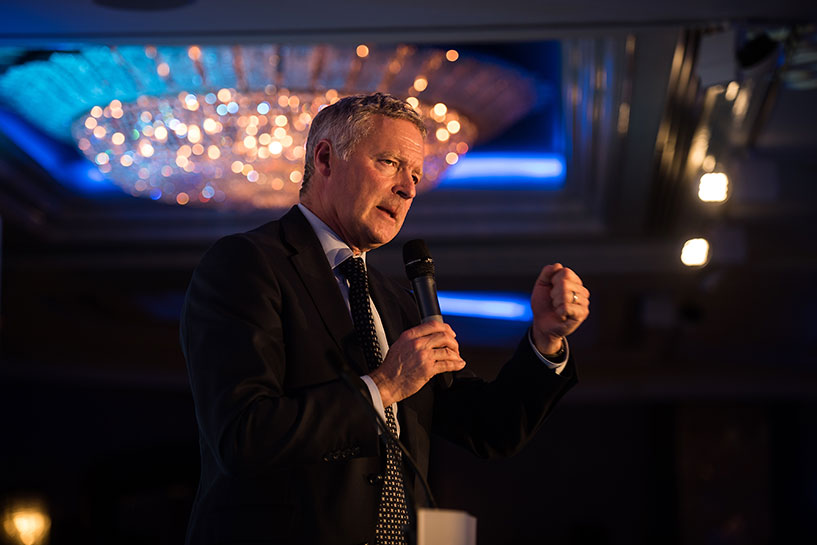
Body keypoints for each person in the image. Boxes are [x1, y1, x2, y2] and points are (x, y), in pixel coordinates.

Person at [180, 92, 590, 545]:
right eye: (390, 162)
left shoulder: (395, 301)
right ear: (325, 159)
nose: (409, 188)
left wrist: (546, 341)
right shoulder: (248, 264)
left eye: (415, 174)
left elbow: (490, 430)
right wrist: (385, 386)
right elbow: (245, 435)